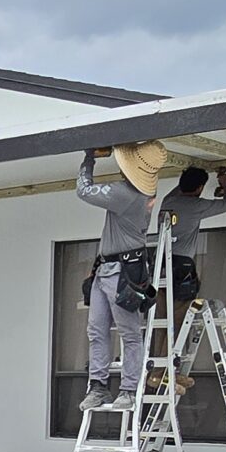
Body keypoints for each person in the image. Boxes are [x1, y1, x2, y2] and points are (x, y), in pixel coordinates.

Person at [76, 140, 168, 412]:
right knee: (97, 330)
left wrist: (89, 158)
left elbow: (83, 190)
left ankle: (128, 389)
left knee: (128, 333)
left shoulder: (125, 194)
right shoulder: (140, 193)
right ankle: (98, 386)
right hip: (110, 268)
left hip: (122, 272)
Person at [158, 163, 226, 260]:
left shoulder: (168, 200)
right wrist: (225, 184)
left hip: (160, 257)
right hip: (180, 261)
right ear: (200, 188)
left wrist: (188, 177)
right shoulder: (196, 206)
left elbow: (182, 187)